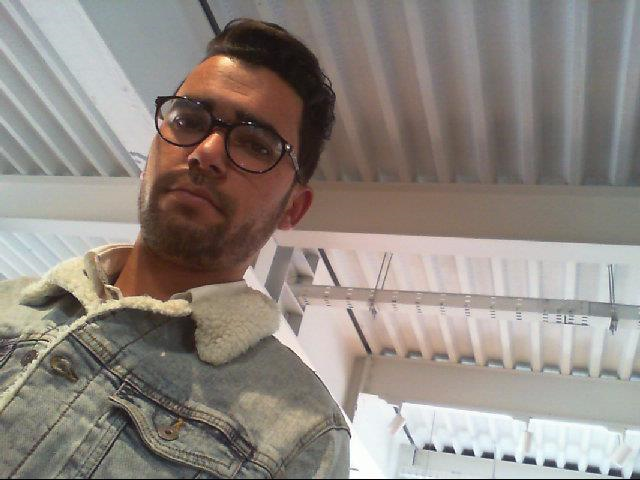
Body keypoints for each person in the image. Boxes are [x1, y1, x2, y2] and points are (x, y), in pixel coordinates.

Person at [0, 18, 349, 478]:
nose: (206, 151)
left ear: (293, 208)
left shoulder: (303, 435)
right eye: (188, 120)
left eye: (255, 145)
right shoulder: (9, 303)